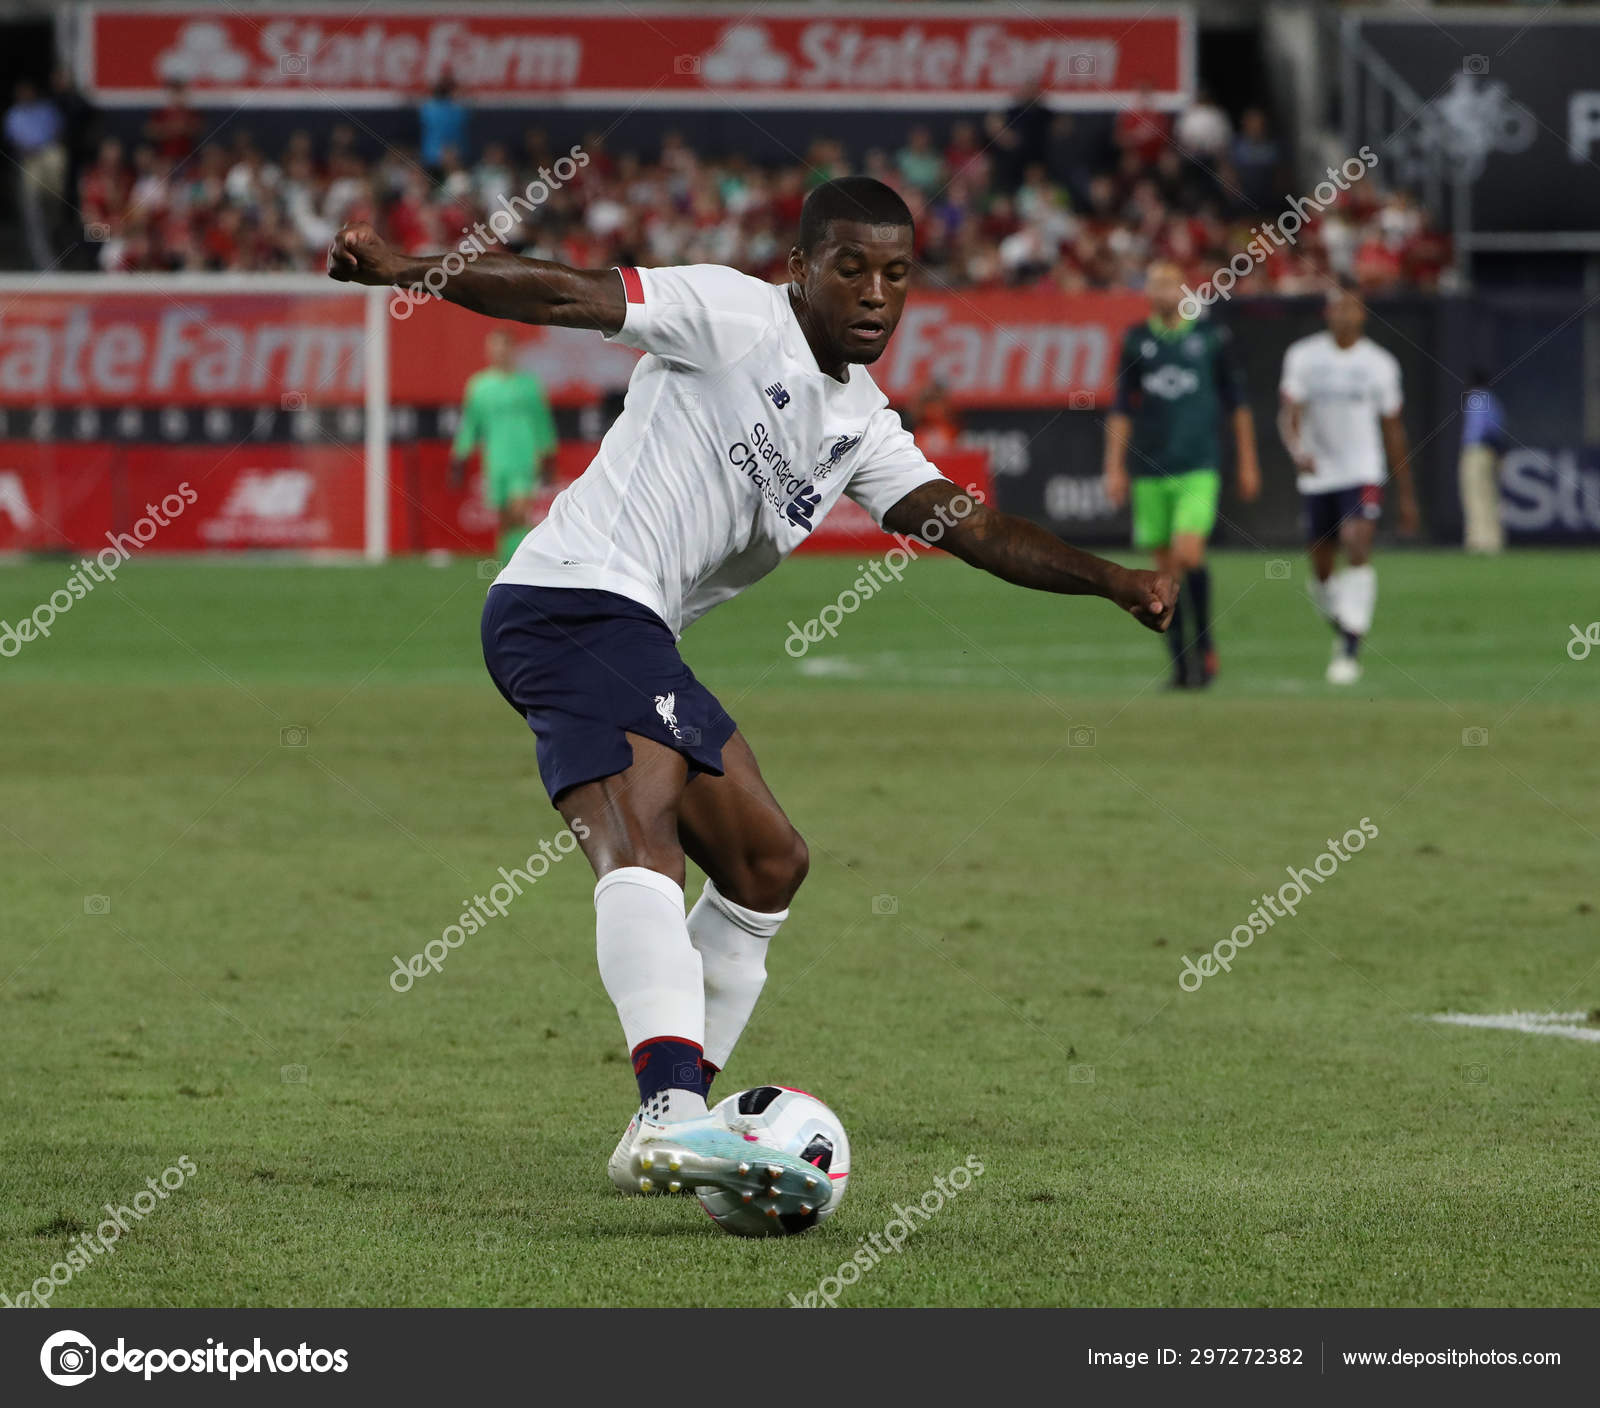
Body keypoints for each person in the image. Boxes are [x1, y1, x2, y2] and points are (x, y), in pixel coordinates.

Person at [327, 177, 1177, 1220]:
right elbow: (565, 293)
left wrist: (1114, 580)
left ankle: (668, 1123)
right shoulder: (731, 314)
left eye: (896, 274)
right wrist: (411, 273)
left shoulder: (862, 425)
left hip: (633, 630)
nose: (875, 292)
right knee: (642, 831)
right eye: (851, 267)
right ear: (800, 271)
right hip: (568, 600)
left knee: (768, 862)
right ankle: (673, 1111)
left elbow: (973, 525)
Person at [1103, 260, 1260, 688]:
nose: (1161, 291)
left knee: (1188, 556)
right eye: (1154, 284)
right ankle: (1180, 662)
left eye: (1169, 284)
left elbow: (1237, 404)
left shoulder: (1211, 339)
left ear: (1185, 289)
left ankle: (1205, 647)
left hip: (1198, 464)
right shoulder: (1136, 340)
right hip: (1149, 468)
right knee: (1163, 576)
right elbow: (1121, 408)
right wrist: (1114, 466)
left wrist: (1247, 460)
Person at [1278, 282, 1420, 685]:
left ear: (1363, 314)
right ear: (1327, 313)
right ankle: (1344, 623)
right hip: (1319, 474)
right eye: (1337, 306)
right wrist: (1297, 450)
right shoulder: (1304, 356)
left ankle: (1350, 647)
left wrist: (1407, 495)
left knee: (1358, 545)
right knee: (1322, 570)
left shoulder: (1380, 364)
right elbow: (1289, 413)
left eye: (1351, 307)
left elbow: (1394, 430)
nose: (1343, 314)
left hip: (1363, 472)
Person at [451, 330, 559, 564]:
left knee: (519, 512)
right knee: (506, 519)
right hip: (496, 460)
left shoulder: (528, 384)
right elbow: (471, 424)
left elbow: (541, 421)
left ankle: (524, 564)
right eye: (494, 348)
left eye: (503, 348)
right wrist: (460, 456)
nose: (499, 353)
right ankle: (507, 566)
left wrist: (548, 455)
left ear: (513, 350)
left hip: (524, 458)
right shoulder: (479, 386)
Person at [4, 80, 66, 269]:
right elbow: (16, 142)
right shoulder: (13, 115)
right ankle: (45, 263)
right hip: (28, 162)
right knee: (34, 214)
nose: (25, 95)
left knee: (55, 157)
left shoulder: (46, 111)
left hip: (48, 158)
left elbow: (58, 133)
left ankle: (57, 204)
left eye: (28, 91)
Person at [1458, 370, 1508, 553]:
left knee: (1474, 496)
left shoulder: (1475, 397)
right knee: (1490, 496)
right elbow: (1497, 430)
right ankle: (1493, 541)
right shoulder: (1493, 400)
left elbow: (1482, 428)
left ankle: (1478, 541)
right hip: (1491, 451)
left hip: (1475, 450)